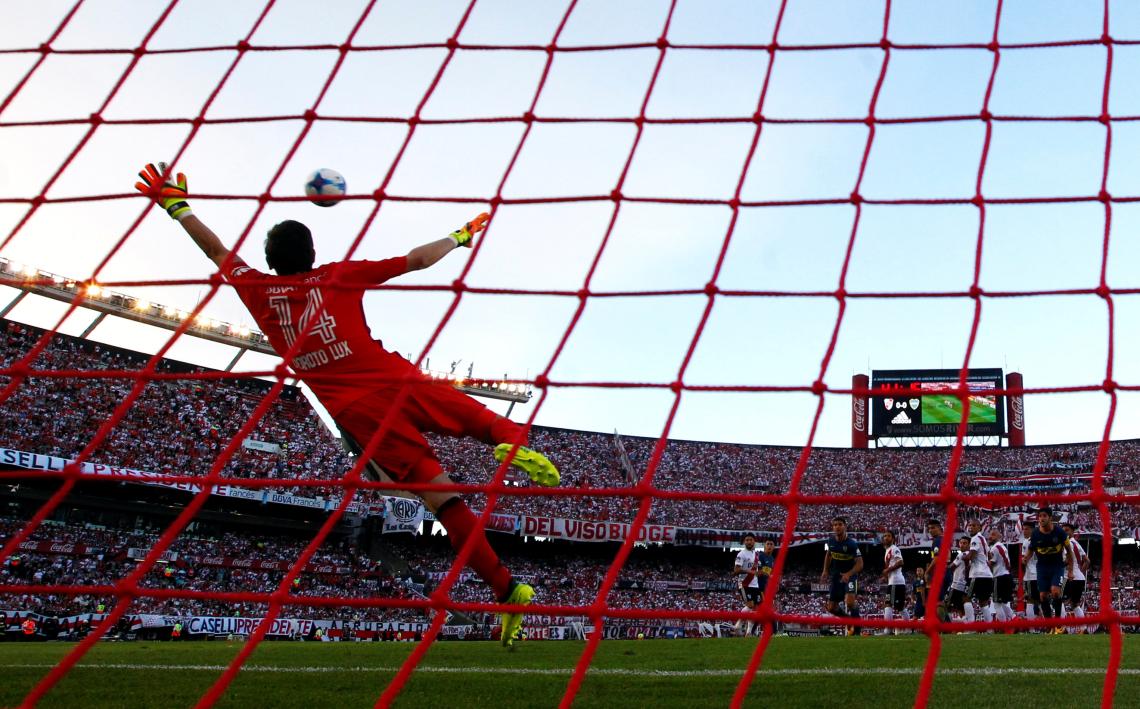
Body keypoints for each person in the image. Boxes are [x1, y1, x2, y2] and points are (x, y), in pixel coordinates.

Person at [136, 162, 561, 649]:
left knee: (445, 503)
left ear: (271, 262)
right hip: (395, 379)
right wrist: (459, 236)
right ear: (313, 255)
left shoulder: (256, 291)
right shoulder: (338, 277)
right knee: (484, 420)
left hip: (363, 415)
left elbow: (215, 250)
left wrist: (176, 206)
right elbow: (416, 261)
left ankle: (507, 590)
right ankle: (510, 447)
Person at [1025, 508, 1073, 634]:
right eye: (1040, 516)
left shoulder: (1060, 532)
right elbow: (1031, 549)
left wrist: (1071, 570)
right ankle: (1049, 624)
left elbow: (1069, 551)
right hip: (1042, 567)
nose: (1042, 518)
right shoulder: (1035, 534)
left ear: (1050, 517)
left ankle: (1057, 623)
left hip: (1057, 566)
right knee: (1042, 596)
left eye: (1044, 515)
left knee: (1056, 592)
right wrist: (1025, 558)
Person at [820, 516, 863, 634]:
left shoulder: (851, 544)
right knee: (831, 608)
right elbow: (828, 555)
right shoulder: (831, 541)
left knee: (849, 603)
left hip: (850, 576)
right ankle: (848, 620)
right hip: (836, 576)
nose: (837, 527)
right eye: (835, 525)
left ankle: (857, 631)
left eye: (840, 524)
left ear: (845, 526)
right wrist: (825, 570)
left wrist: (849, 574)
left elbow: (860, 564)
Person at [1060, 523, 1091, 634]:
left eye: (1067, 530)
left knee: (1059, 600)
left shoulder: (1068, 544)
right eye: (1063, 531)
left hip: (1069, 577)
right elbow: (1087, 561)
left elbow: (1067, 560)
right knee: (1074, 604)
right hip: (1079, 578)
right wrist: (1080, 572)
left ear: (1072, 532)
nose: (1065, 533)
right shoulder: (1077, 544)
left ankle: (1062, 628)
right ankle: (1083, 629)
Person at [962, 520, 994, 625]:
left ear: (979, 528)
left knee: (966, 598)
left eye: (974, 525)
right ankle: (990, 629)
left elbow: (971, 556)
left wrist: (963, 556)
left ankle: (970, 626)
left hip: (977, 574)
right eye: (970, 525)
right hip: (987, 574)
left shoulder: (975, 539)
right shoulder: (983, 539)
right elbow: (990, 556)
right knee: (983, 602)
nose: (971, 527)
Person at [733, 533, 763, 636]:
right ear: (744, 542)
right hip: (744, 584)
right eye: (747, 540)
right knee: (750, 605)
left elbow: (757, 570)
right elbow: (736, 570)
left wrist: (760, 573)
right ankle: (738, 624)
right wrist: (749, 572)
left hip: (755, 584)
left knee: (755, 608)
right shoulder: (741, 554)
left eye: (751, 540)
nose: (749, 542)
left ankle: (748, 632)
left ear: (754, 541)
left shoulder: (757, 554)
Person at [880, 531, 906, 634]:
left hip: (896, 581)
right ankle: (907, 628)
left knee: (890, 604)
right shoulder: (887, 550)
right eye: (884, 536)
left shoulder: (894, 549)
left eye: (888, 536)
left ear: (893, 539)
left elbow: (901, 562)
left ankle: (888, 629)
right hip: (892, 581)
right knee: (896, 606)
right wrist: (885, 576)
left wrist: (888, 570)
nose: (886, 537)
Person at [987, 528, 1014, 623]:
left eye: (993, 534)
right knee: (1002, 603)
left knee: (996, 604)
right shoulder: (1002, 547)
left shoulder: (995, 548)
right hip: (1006, 576)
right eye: (990, 534)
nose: (990, 537)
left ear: (1000, 537)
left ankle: (1004, 626)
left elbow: (990, 564)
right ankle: (1015, 619)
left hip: (1000, 577)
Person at [946, 536, 974, 626]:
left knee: (946, 605)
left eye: (964, 543)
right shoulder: (971, 554)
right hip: (964, 583)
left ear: (969, 544)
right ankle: (966, 624)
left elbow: (951, 567)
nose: (962, 545)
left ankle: (947, 627)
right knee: (960, 607)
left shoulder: (962, 554)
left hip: (957, 584)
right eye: (961, 543)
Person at [1020, 520, 1042, 624]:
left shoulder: (1027, 541)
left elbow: (1024, 561)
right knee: (1041, 601)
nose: (1024, 531)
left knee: (1029, 601)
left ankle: (1031, 628)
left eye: (1027, 529)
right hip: (1040, 575)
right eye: (1023, 529)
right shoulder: (1040, 540)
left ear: (1033, 530)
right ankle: (1051, 625)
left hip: (1031, 575)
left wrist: (1024, 574)